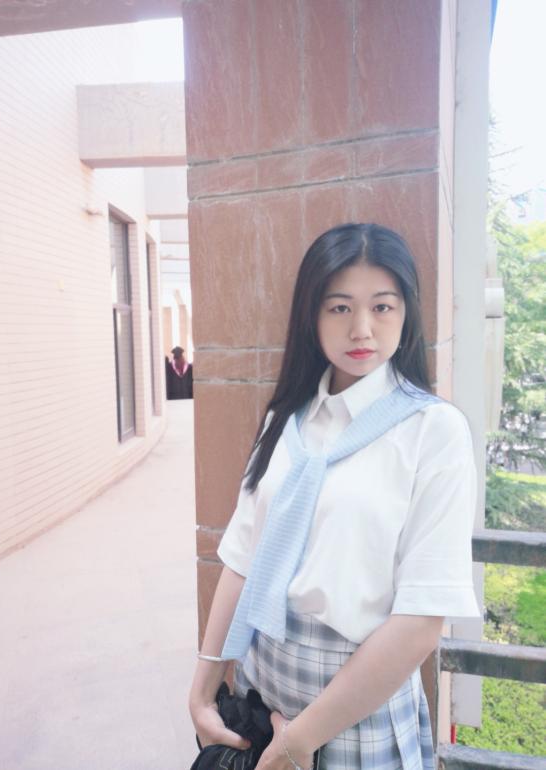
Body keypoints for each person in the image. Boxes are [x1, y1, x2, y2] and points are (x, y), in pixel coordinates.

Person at [189, 223, 480, 770]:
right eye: (340, 307)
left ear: (407, 313)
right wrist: (203, 686)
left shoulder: (433, 431)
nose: (362, 328)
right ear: (312, 315)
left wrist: (298, 742)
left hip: (356, 714)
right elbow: (244, 556)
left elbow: (422, 619)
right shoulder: (287, 419)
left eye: (382, 307)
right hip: (259, 693)